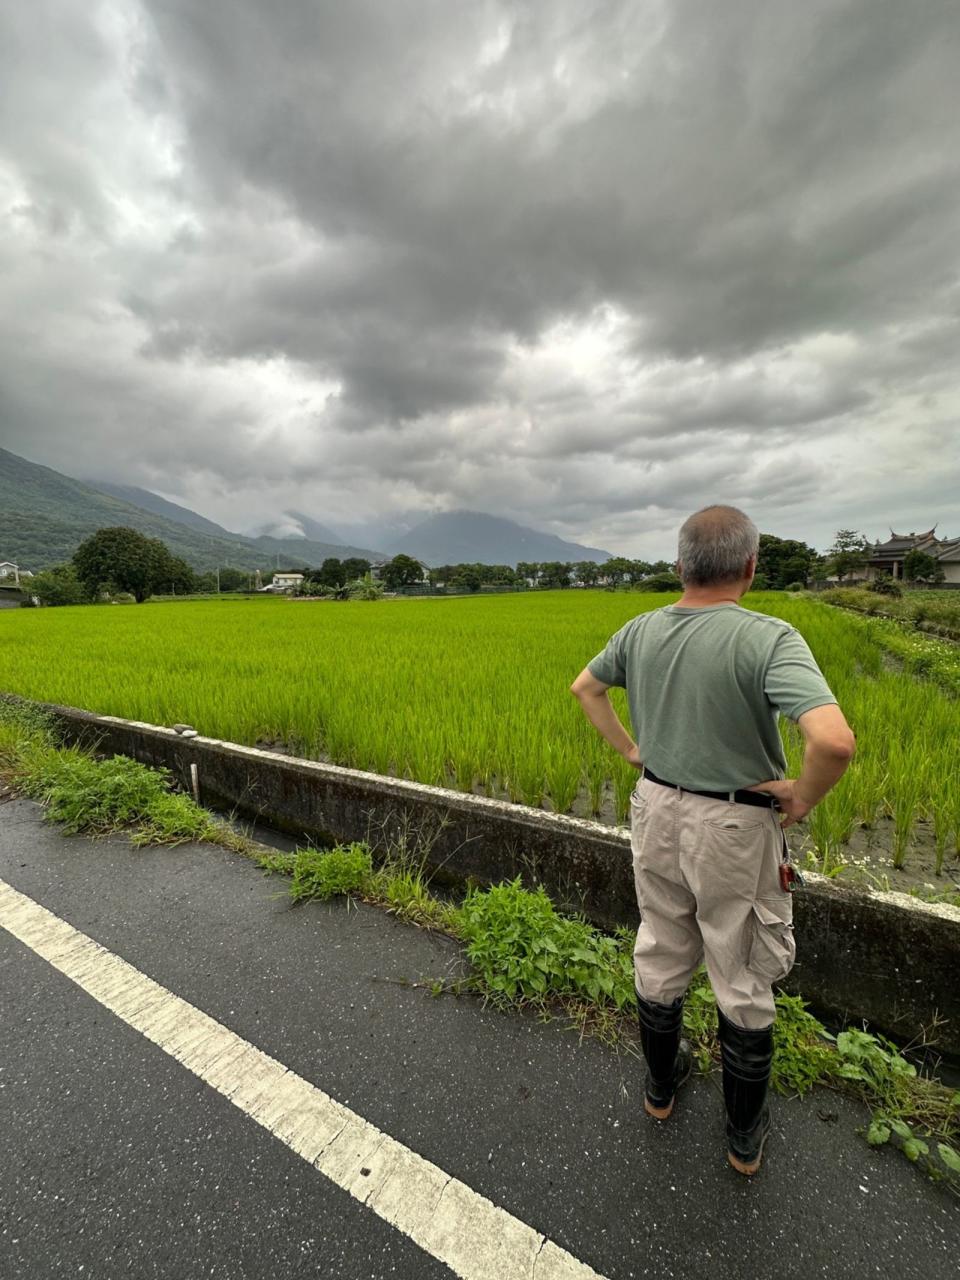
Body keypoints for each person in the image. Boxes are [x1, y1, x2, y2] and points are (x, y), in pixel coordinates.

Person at [570, 505, 855, 1175]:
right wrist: (803, 795)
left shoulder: (641, 629)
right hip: (732, 826)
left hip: (656, 808)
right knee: (744, 967)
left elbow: (586, 689)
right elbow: (834, 742)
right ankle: (741, 1139)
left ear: (680, 567)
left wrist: (634, 752)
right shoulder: (768, 637)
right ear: (751, 567)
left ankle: (661, 1091)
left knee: (663, 945)